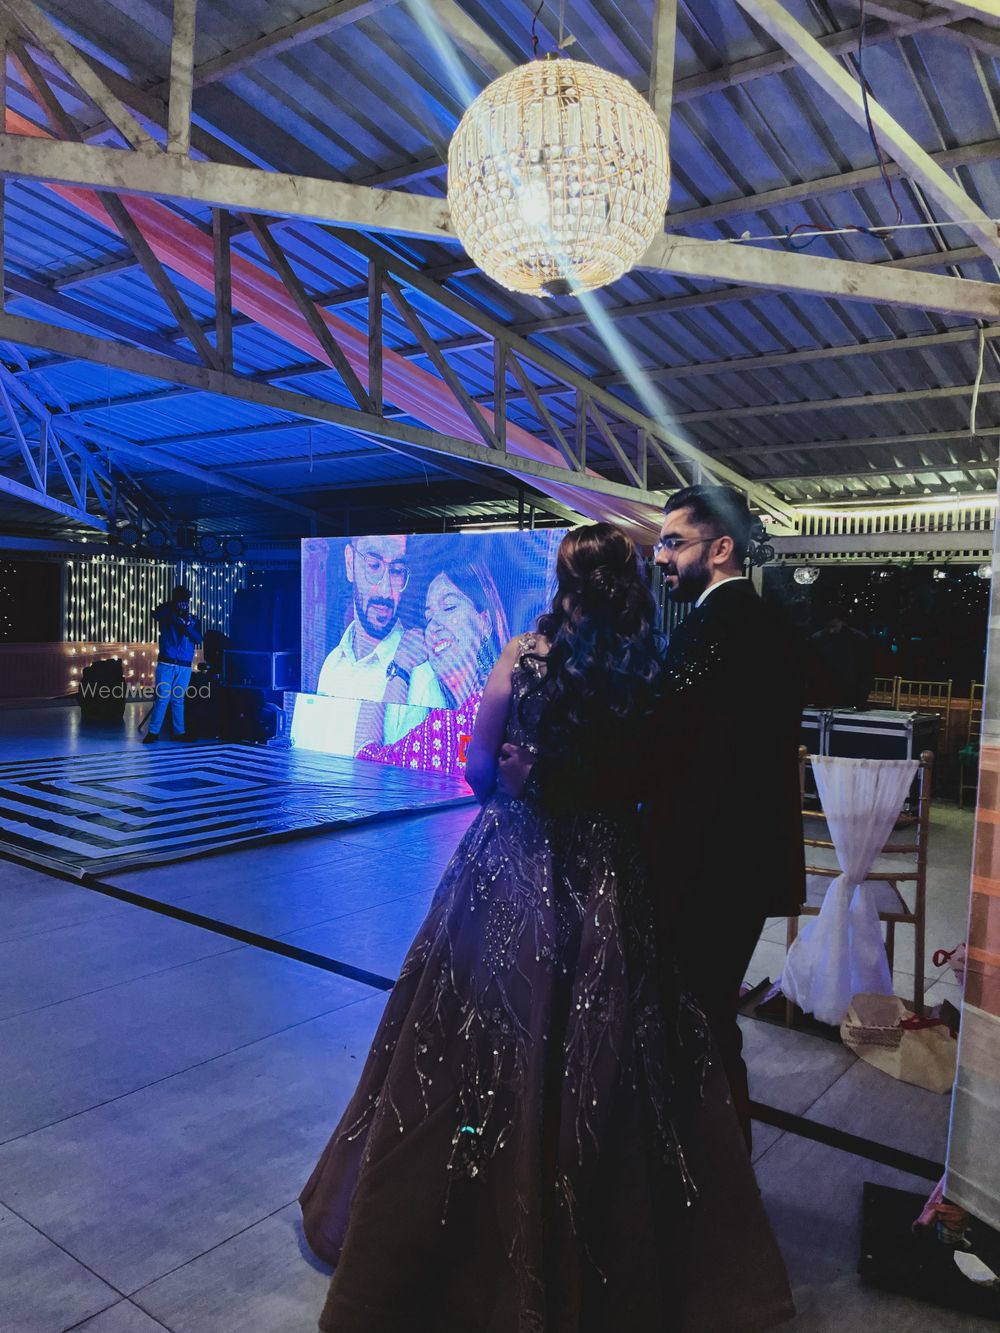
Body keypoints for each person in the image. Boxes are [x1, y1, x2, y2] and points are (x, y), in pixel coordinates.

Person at [300, 523, 793, 1333]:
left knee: (469, 1050)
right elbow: (653, 780)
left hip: (510, 867)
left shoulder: (524, 656)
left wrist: (524, 793)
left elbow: (477, 765)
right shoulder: (649, 673)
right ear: (631, 584)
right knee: (604, 1062)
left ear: (561, 580)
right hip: (610, 877)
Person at [650, 485, 806, 1147]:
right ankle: (720, 1171)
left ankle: (712, 1177)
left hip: (705, 864)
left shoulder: (715, 626)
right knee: (710, 1015)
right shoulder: (769, 623)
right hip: (745, 861)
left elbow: (666, 740)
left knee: (697, 1018)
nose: (659, 556)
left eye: (672, 542)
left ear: (720, 548)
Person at [355, 562, 508, 778]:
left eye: (449, 607)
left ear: (485, 621)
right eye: (428, 617)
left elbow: (366, 758)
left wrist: (399, 669)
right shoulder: (445, 714)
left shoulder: (448, 726)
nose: (434, 625)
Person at [312, 536, 433, 754]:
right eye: (374, 566)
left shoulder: (422, 677)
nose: (386, 591)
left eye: (396, 570)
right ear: (350, 563)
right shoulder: (331, 664)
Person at [143, 585, 203, 743]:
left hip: (184, 665)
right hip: (166, 663)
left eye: (185, 602)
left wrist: (188, 626)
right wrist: (172, 606)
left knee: (178, 699)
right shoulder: (167, 615)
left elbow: (198, 639)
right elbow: (155, 613)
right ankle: (153, 732)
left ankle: (179, 732)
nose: (183, 605)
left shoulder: (193, 619)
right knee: (163, 698)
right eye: (180, 602)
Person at [809, 605, 876, 709]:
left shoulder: (858, 639)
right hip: (825, 694)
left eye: (834, 626)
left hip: (850, 693)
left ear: (843, 622)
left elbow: (866, 670)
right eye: (828, 627)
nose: (831, 630)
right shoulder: (817, 639)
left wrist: (861, 696)